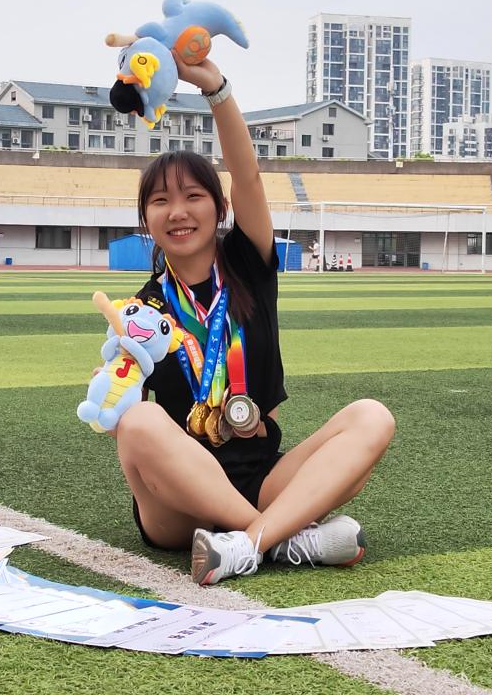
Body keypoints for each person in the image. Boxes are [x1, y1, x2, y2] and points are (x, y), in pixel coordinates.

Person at [112, 53, 395, 585]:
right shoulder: (141, 311)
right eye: (161, 201)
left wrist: (216, 90)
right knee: (138, 422)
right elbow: (126, 432)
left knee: (371, 416)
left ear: (218, 209)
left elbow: (248, 178)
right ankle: (285, 538)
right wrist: (113, 387)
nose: (178, 211)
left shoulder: (249, 267)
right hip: (180, 507)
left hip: (266, 480)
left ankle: (247, 544)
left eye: (194, 196)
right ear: (146, 218)